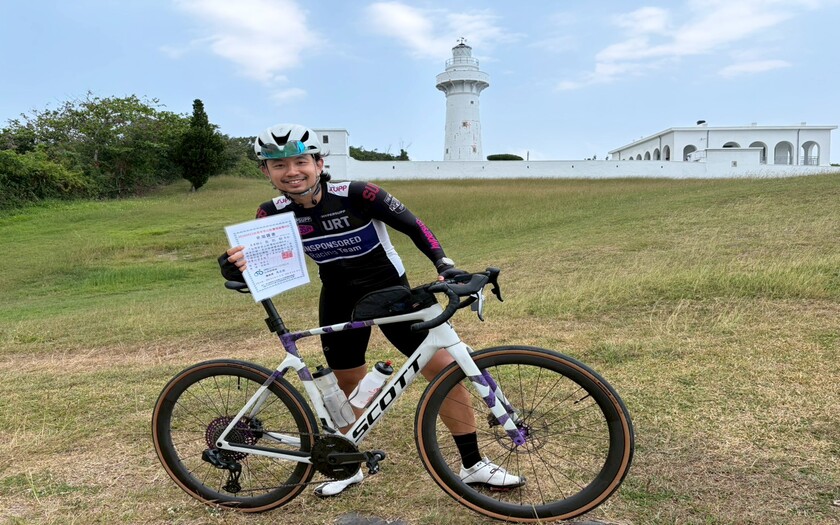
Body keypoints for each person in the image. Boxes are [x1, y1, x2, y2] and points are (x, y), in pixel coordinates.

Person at [219, 124, 522, 497]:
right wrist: (235, 267)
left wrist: (444, 265)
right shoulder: (271, 213)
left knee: (444, 373)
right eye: (279, 165)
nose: (292, 171)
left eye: (300, 162)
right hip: (338, 298)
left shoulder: (359, 193)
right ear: (266, 171)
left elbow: (415, 227)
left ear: (318, 163)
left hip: (390, 293)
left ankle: (473, 465)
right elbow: (259, 261)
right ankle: (348, 465)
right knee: (347, 383)